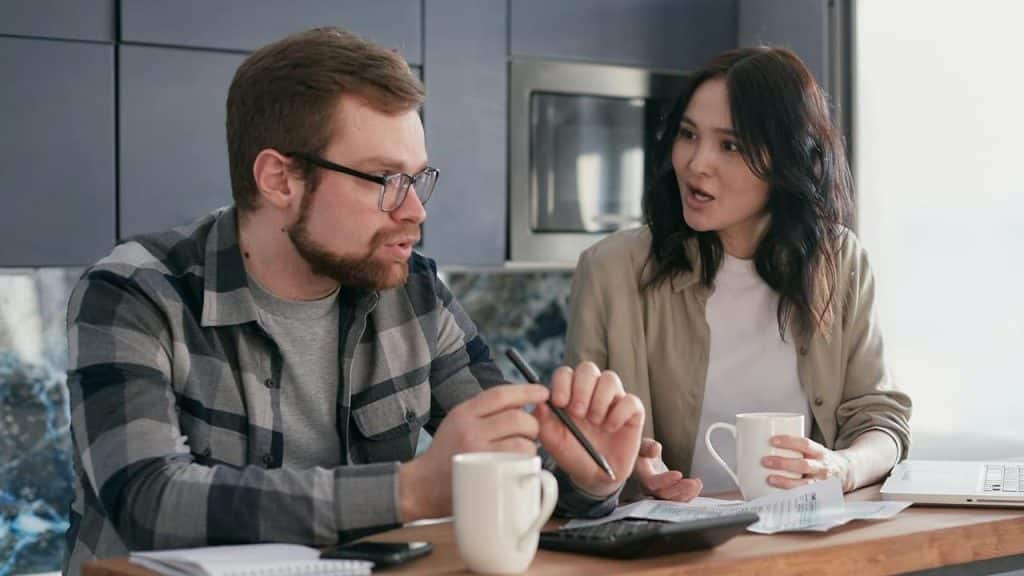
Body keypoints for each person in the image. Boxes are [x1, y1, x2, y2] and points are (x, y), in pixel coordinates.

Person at [63, 27, 644, 576]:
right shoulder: (134, 292)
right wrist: (411, 489)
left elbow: (516, 481)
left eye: (418, 180)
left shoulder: (415, 294)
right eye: (385, 179)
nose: (415, 210)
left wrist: (585, 472)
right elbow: (148, 500)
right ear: (279, 179)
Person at [565, 46, 911, 502]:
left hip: (806, 537)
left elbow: (881, 420)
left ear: (787, 159)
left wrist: (841, 466)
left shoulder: (840, 260)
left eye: (730, 145)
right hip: (675, 555)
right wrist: (613, 476)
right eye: (688, 134)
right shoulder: (610, 270)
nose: (695, 162)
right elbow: (575, 465)